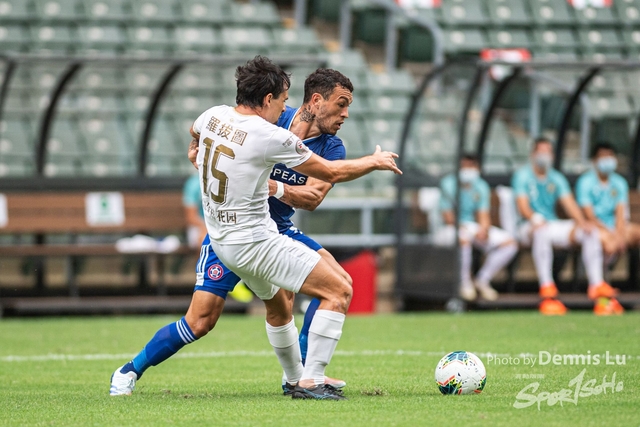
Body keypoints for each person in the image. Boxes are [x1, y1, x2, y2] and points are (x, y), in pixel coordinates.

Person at [110, 57, 401, 400]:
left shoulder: (220, 116)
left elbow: (312, 197)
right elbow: (329, 173)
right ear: (282, 100)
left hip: (265, 228)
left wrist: (258, 182)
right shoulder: (271, 130)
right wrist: (374, 161)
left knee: (287, 302)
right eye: (341, 104)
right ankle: (308, 380)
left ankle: (298, 378)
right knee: (203, 320)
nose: (346, 114)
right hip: (249, 238)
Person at [512, 137, 616, 315]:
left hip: (551, 224)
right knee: (541, 230)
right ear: (533, 154)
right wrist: (535, 218)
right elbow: (523, 207)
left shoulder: (556, 178)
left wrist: (583, 222)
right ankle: (547, 286)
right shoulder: (522, 176)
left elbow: (569, 204)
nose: (545, 155)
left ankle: (597, 285)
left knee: (589, 231)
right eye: (541, 151)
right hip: (527, 227)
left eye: (548, 152)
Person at [436, 154, 518, 301]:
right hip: (448, 229)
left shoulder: (480, 186)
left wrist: (484, 230)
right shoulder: (448, 184)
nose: (467, 170)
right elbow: (448, 218)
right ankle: (465, 283)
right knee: (463, 238)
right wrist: (469, 231)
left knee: (510, 243)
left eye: (471, 166)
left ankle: (482, 280)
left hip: (471, 228)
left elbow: (483, 215)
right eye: (464, 166)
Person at [576, 142, 637, 314]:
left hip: (615, 229)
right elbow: (589, 216)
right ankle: (599, 289)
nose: (607, 160)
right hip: (595, 227)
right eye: (603, 157)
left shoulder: (619, 183)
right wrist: (611, 236)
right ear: (594, 161)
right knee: (598, 237)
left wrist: (618, 236)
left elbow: (621, 214)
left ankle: (606, 292)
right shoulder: (586, 182)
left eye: (610, 156)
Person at [183, 172, 254, 302]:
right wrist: (207, 227)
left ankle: (236, 280)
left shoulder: (230, 178)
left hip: (223, 226)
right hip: (200, 226)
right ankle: (208, 282)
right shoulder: (193, 183)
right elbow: (191, 217)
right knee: (205, 238)